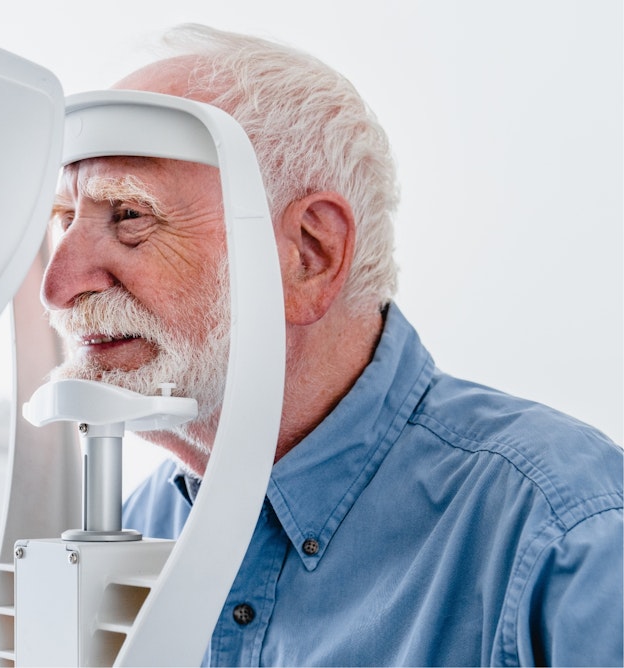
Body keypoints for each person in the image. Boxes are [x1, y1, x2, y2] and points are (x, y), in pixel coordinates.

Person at [40, 24, 623, 666]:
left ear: (309, 256)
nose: (59, 286)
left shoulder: (562, 536)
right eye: (64, 222)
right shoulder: (141, 521)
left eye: (129, 215)